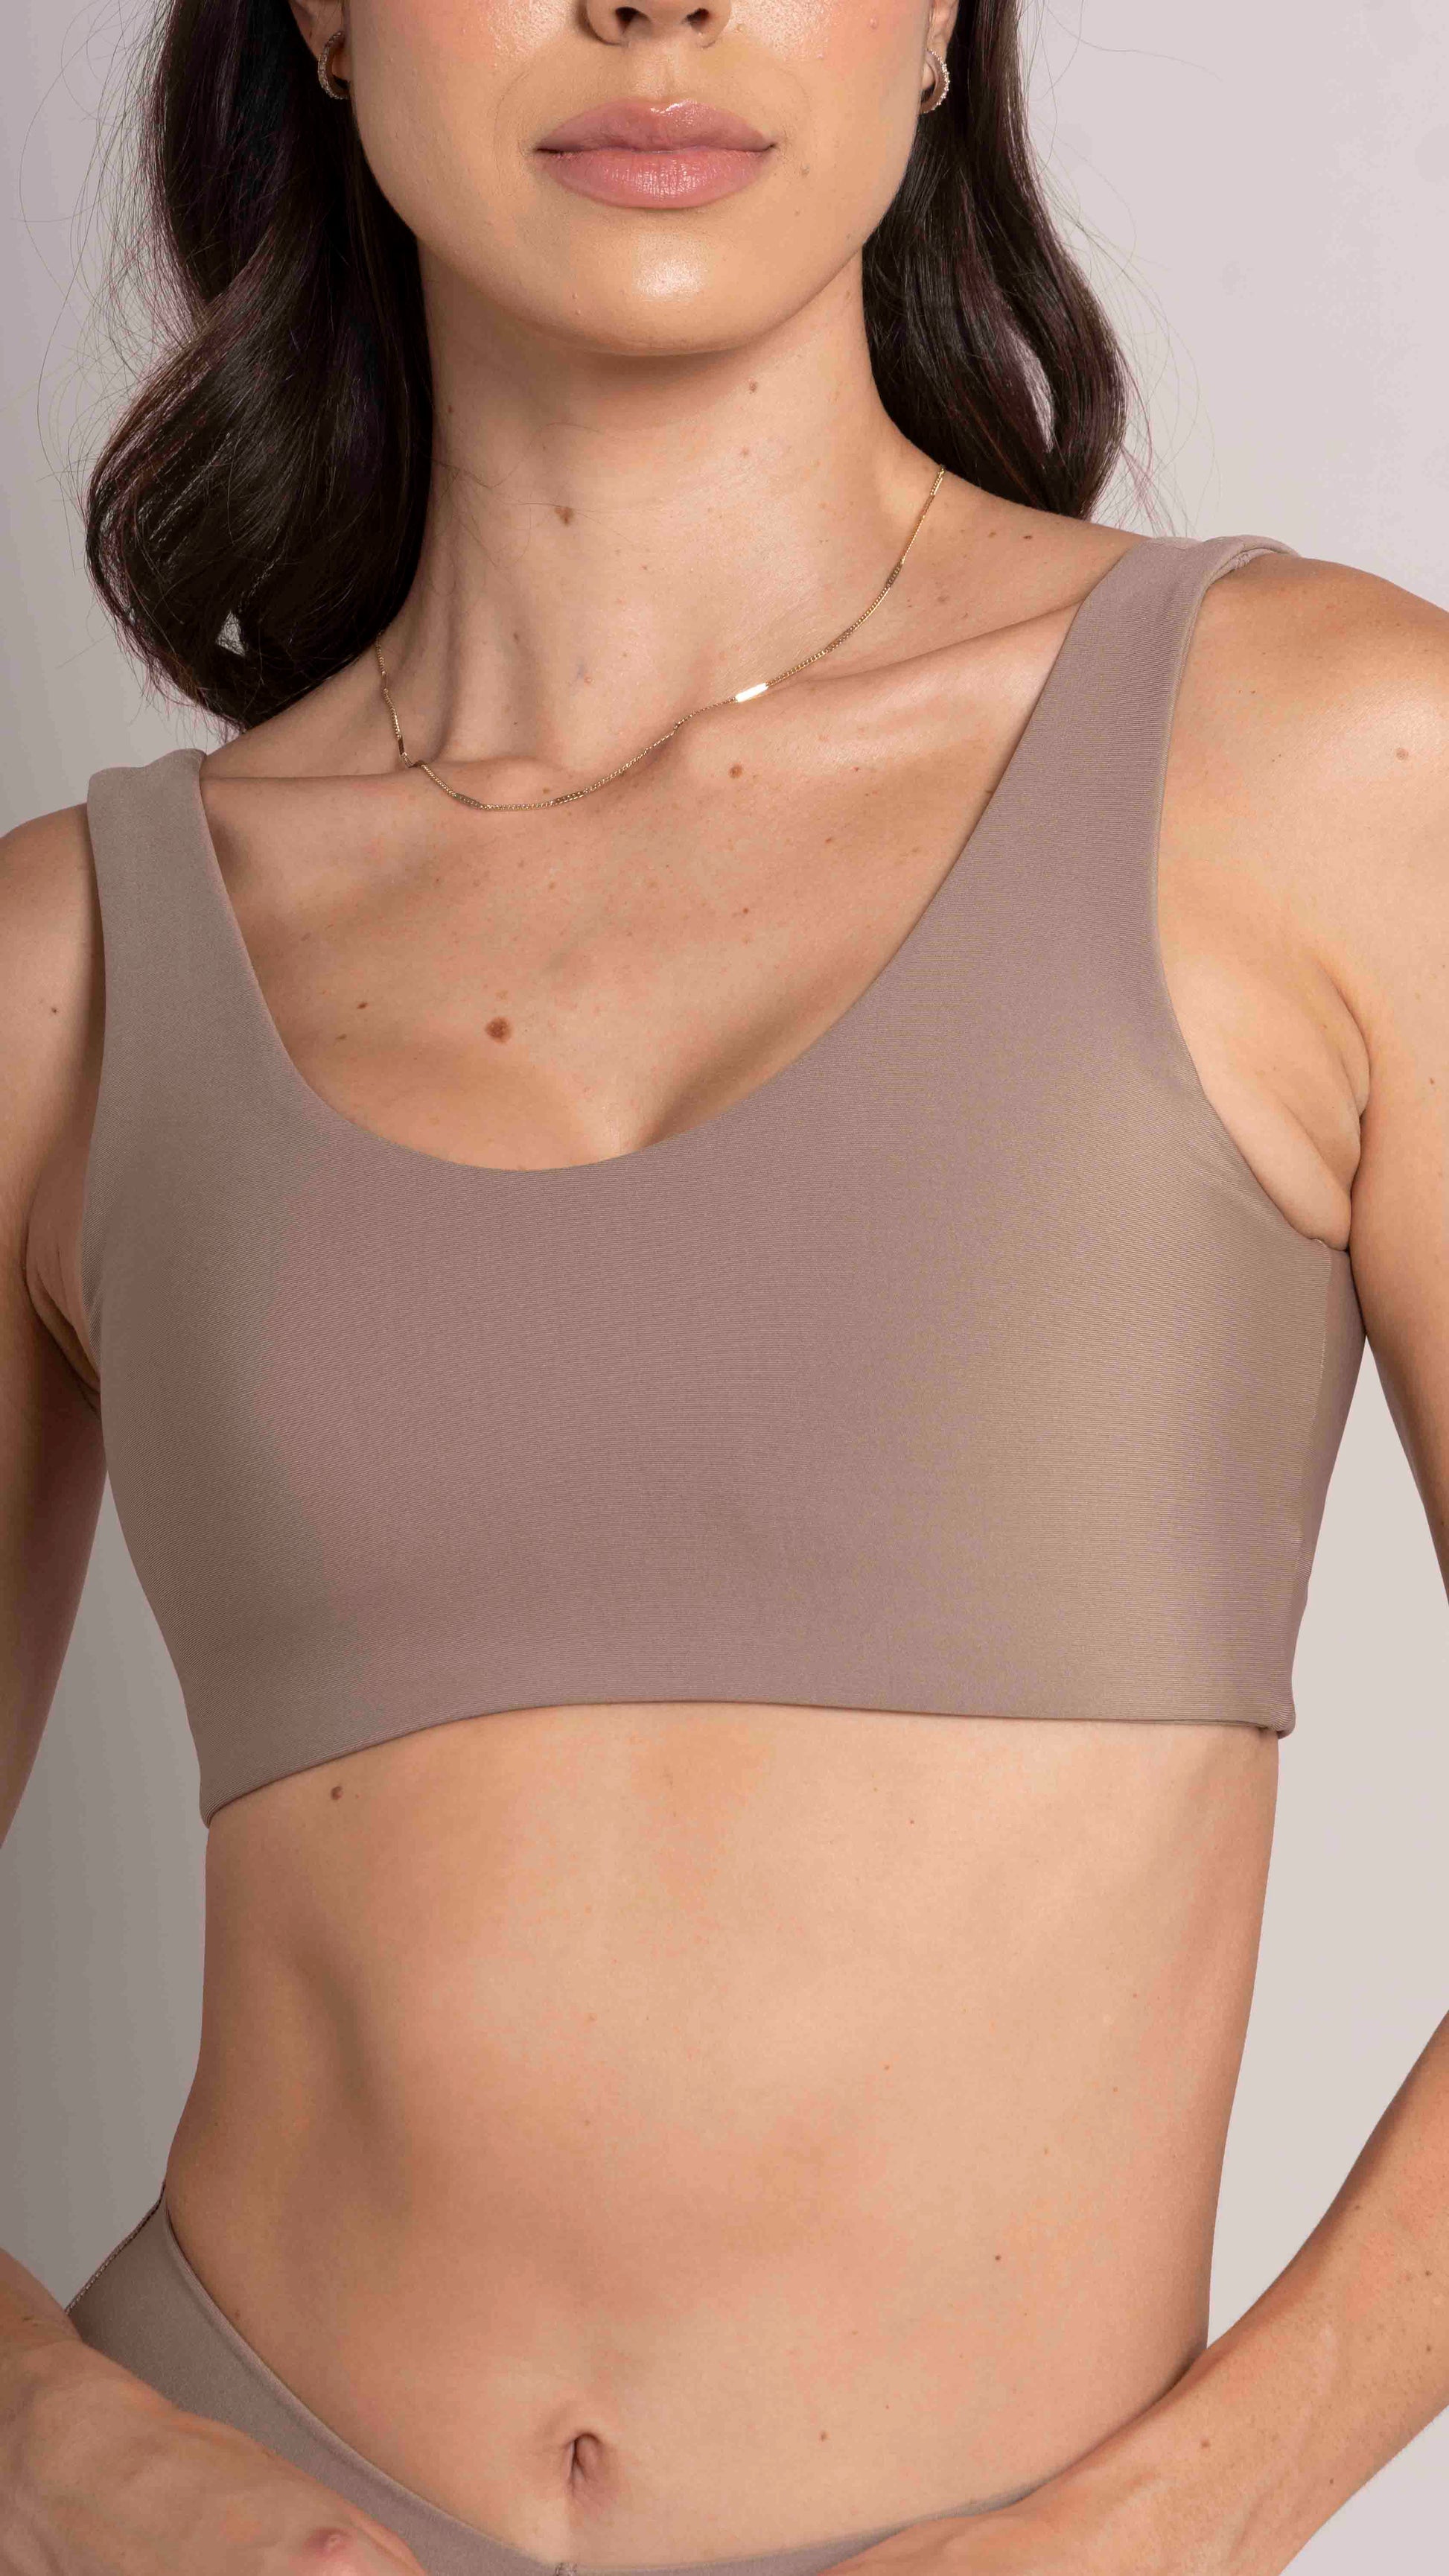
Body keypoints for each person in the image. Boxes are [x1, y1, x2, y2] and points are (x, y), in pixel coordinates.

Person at [1, 2, 1447, 2573]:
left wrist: (1180, 2521)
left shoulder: (1330, 767)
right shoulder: (67, 969)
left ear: (938, 28)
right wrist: (63, 2451)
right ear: (322, 15)